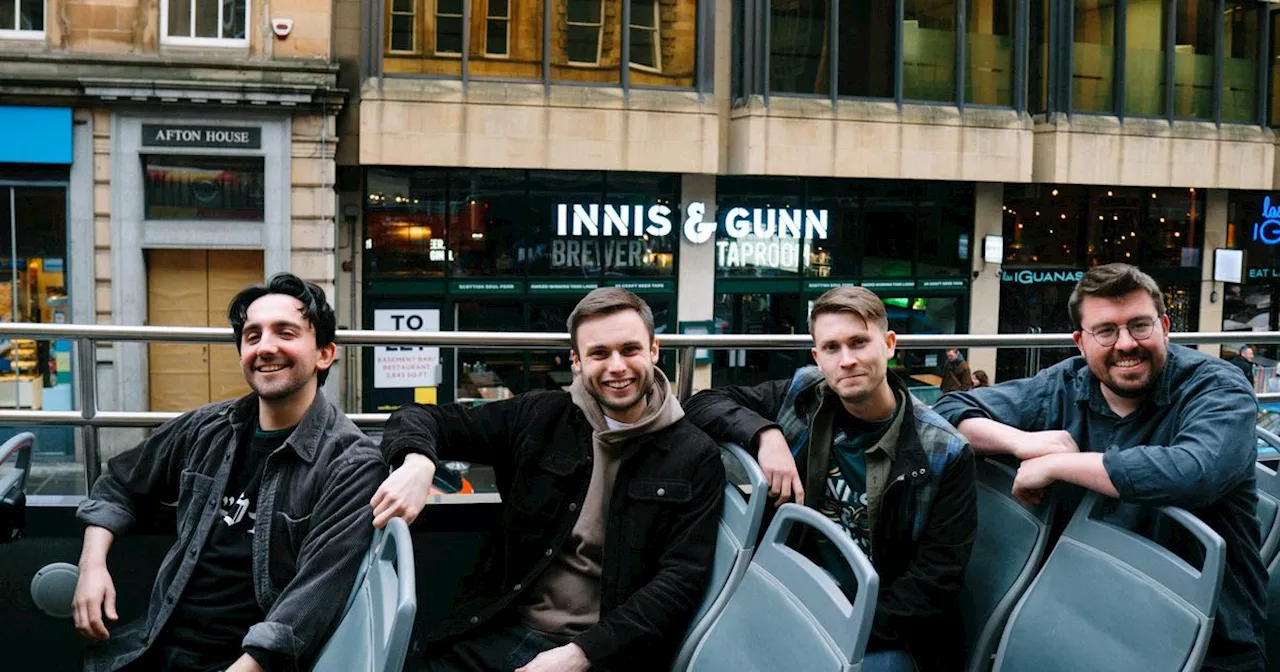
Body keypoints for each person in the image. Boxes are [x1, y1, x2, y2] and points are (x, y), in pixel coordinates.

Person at [370, 287, 724, 672]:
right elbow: (422, 417)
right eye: (599, 353)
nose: (617, 366)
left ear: (654, 351)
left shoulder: (694, 454)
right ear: (577, 361)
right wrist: (418, 463)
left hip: (608, 652)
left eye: (630, 349)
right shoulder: (541, 417)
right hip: (501, 627)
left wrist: (581, 654)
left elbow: (678, 583)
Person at [933, 263, 1266, 672]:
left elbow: (1195, 472)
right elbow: (948, 411)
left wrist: (1061, 464)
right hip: (1081, 625)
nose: (1126, 343)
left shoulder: (1217, 386)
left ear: (1164, 326)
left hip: (1209, 641)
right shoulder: (1064, 384)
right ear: (1080, 342)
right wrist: (1021, 442)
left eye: (1140, 326)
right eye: (1106, 331)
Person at [73, 273, 387, 672]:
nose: (266, 347)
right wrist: (92, 566)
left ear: (325, 354)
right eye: (252, 336)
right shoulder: (207, 428)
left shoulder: (350, 463)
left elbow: (311, 601)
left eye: (285, 333)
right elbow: (118, 481)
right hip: (153, 643)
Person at [683, 286, 976, 672]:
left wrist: (831, 628)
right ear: (817, 357)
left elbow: (933, 584)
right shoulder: (805, 394)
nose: (847, 360)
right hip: (791, 593)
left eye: (859, 343)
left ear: (889, 345)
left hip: (883, 629)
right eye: (832, 348)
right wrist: (765, 435)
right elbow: (702, 403)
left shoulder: (944, 451)